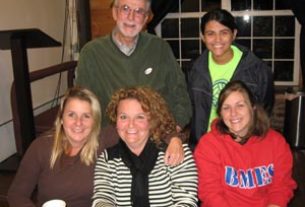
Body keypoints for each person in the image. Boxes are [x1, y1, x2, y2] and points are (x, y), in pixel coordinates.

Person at [75, 0, 192, 131]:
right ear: (114, 12)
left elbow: (181, 96)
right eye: (125, 9)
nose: (131, 17)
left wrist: (172, 132)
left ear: (146, 18)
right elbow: (82, 103)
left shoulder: (160, 48)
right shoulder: (92, 53)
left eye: (139, 11)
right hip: (110, 138)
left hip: (155, 136)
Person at [194, 80, 296, 207]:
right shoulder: (208, 145)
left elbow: (281, 186)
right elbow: (210, 193)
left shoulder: (276, 143)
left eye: (240, 105)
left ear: (252, 108)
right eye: (226, 108)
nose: (233, 113)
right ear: (220, 113)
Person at [92, 86, 198, 207]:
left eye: (140, 117)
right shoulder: (108, 159)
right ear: (116, 121)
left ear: (152, 120)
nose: (131, 125)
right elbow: (102, 200)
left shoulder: (177, 153)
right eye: (123, 117)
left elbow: (187, 203)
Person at [188, 9, 274, 145]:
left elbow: (264, 110)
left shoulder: (257, 69)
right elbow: (190, 109)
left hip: (243, 144)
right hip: (205, 144)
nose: (217, 40)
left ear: (234, 34)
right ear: (202, 36)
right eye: (211, 33)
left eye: (224, 33)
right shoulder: (194, 69)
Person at [8, 86, 103, 207]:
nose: (78, 122)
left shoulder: (103, 143)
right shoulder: (41, 147)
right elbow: (16, 194)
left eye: (86, 116)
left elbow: (129, 124)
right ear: (61, 118)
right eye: (71, 114)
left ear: (94, 121)